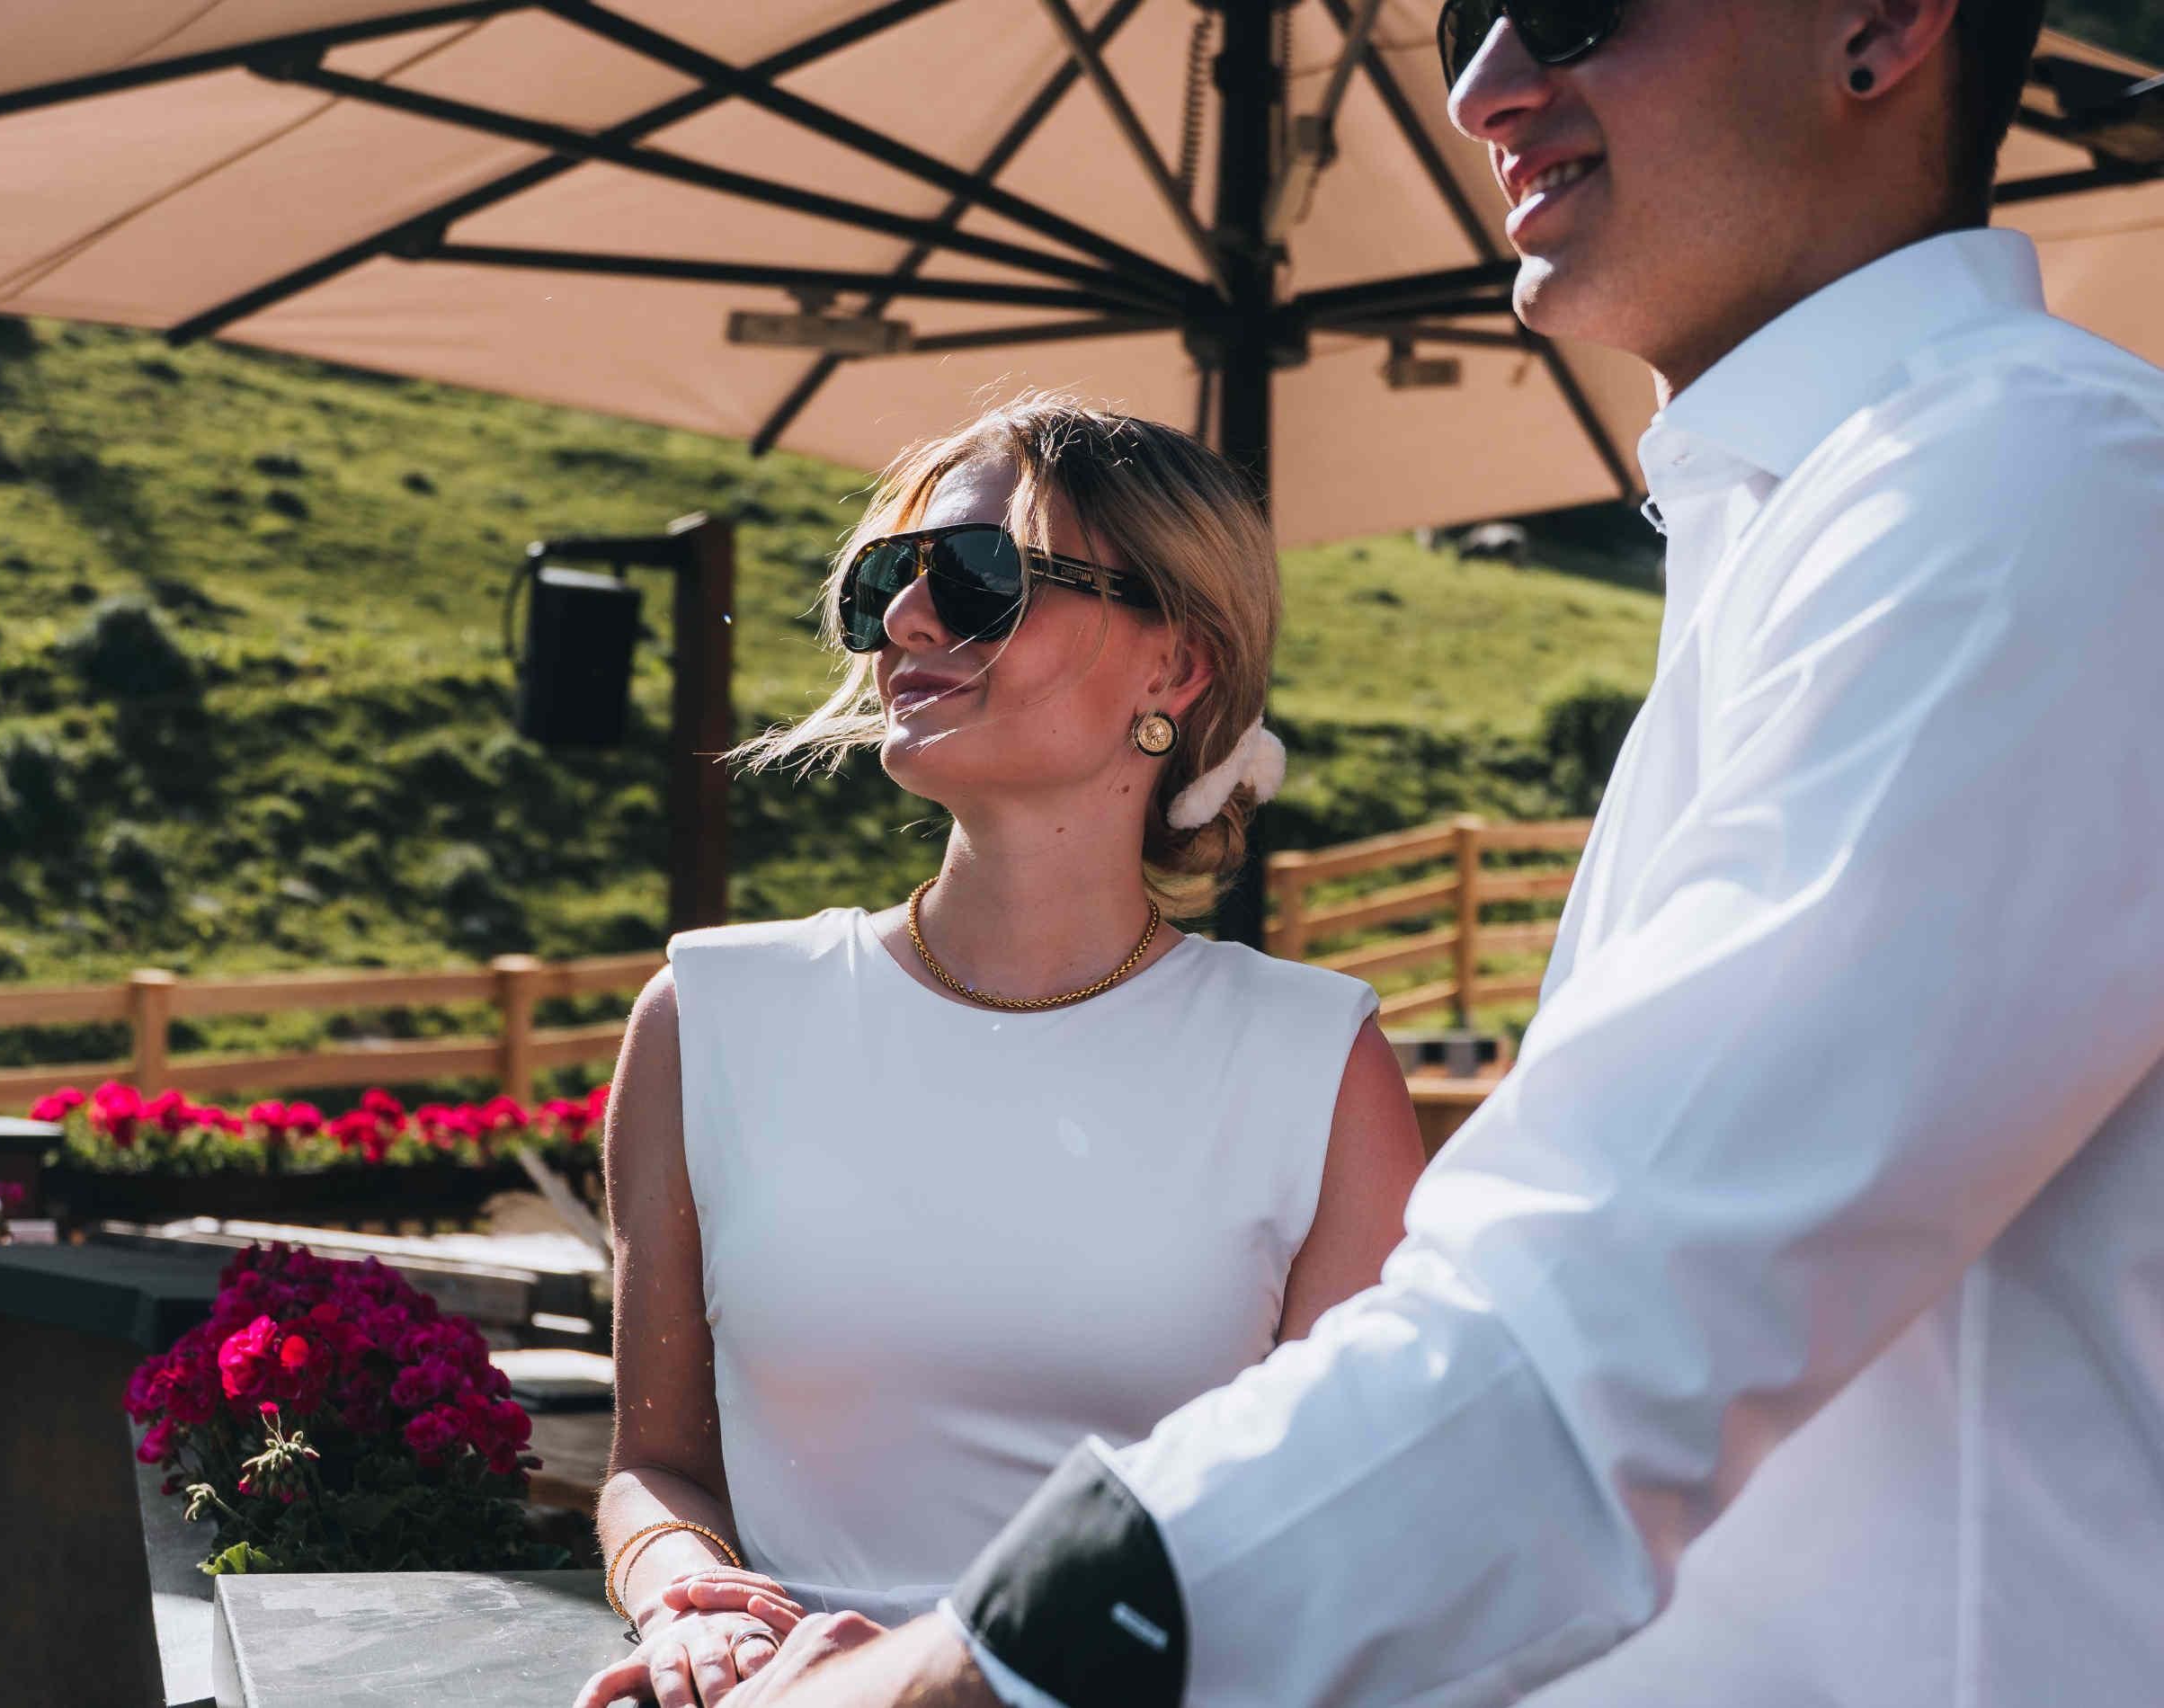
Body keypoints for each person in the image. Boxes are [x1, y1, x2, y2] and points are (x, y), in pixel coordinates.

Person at [711, 0, 2164, 1703]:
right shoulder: (1834, 512)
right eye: (1470, 18)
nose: (1482, 88)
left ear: (1881, 22)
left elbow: (1586, 1327)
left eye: (1572, 6)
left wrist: (961, 1675)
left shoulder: (2022, 486)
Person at [573, 400, 1426, 1708]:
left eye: (980, 578)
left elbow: (1339, 1531)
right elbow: (658, 1469)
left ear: (1176, 667)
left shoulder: (1319, 1062)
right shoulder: (706, 1019)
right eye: (885, 582)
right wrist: (691, 1601)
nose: (911, 622)